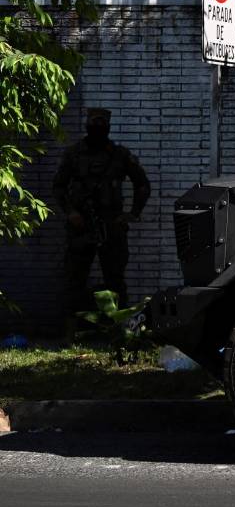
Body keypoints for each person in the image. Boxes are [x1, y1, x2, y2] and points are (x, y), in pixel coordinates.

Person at [52, 108, 150, 338]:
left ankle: (121, 334)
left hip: (111, 225)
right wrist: (70, 212)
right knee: (74, 280)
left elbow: (142, 184)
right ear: (87, 124)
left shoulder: (119, 155)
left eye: (101, 123)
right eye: (93, 122)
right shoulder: (74, 154)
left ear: (108, 126)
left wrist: (132, 213)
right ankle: (71, 335)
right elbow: (58, 186)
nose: (97, 127)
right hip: (81, 226)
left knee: (115, 280)